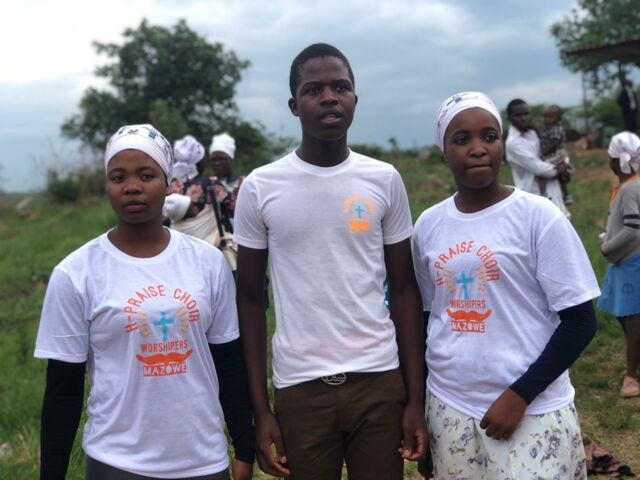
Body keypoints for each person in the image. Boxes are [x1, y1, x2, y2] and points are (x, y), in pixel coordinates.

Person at [234, 43, 427, 480]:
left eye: (340, 87)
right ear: (294, 105)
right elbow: (249, 299)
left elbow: (404, 290)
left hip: (378, 380)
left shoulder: (384, 180)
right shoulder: (261, 187)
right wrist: (260, 410)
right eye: (313, 89)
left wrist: (414, 398)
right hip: (300, 388)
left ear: (355, 98)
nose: (328, 98)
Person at [35, 124, 254, 480]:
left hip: (202, 460)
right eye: (118, 177)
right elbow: (63, 390)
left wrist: (244, 446)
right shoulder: (76, 273)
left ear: (168, 184)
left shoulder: (207, 262)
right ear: (107, 185)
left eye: (147, 175)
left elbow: (228, 362)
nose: (132, 187)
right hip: (117, 462)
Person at [413, 92, 600, 479]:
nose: (478, 149)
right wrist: (425, 410)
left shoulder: (538, 217)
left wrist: (520, 395)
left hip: (530, 409)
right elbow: (428, 320)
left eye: (489, 136)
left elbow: (580, 322)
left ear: (502, 144)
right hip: (449, 405)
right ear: (444, 151)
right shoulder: (428, 225)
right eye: (461, 140)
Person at [597, 132, 640, 398]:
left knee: (633, 319)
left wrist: (607, 247)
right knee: (626, 316)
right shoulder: (631, 186)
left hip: (631, 261)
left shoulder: (629, 189)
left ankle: (631, 377)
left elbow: (633, 228)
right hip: (626, 261)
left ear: (614, 160)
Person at [164, 135, 237, 271]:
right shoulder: (212, 186)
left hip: (181, 253)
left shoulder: (170, 188)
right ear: (201, 162)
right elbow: (234, 209)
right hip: (211, 252)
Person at [505, 98, 571, 217]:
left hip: (552, 190)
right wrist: (561, 168)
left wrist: (564, 162)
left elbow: (558, 151)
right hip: (533, 196)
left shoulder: (532, 133)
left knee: (562, 218)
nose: (524, 118)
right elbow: (540, 169)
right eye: (518, 115)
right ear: (509, 118)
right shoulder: (513, 143)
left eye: (526, 114)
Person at [538, 105, 574, 205]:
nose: (546, 119)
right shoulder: (547, 129)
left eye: (550, 117)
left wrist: (543, 154)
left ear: (558, 119)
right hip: (553, 154)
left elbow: (554, 143)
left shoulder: (557, 129)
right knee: (560, 177)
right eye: (545, 117)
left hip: (557, 154)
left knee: (542, 172)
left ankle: (542, 195)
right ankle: (567, 196)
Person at [209, 133, 243, 228]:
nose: (217, 163)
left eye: (222, 159)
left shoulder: (243, 183)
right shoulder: (208, 184)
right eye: (214, 160)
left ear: (231, 159)